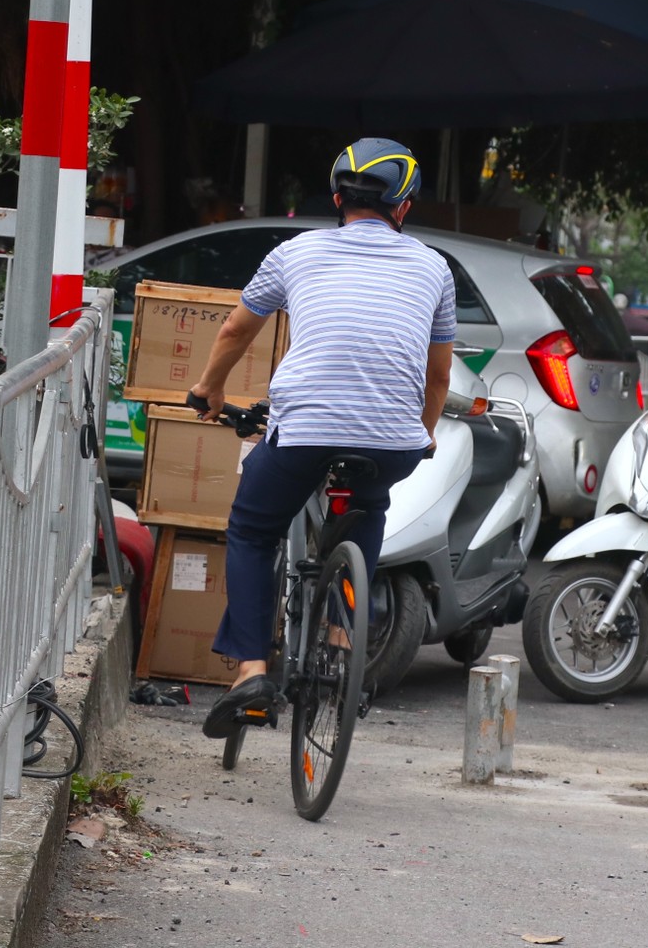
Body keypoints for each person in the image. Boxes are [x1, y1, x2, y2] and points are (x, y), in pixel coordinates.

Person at [190, 138, 457, 739]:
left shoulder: (297, 251)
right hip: (392, 439)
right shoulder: (433, 267)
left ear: (337, 197)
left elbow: (236, 329)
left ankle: (252, 670)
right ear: (405, 208)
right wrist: (425, 434)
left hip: (305, 426)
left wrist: (210, 389)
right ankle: (342, 642)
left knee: (253, 529)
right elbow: (438, 374)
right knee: (368, 503)